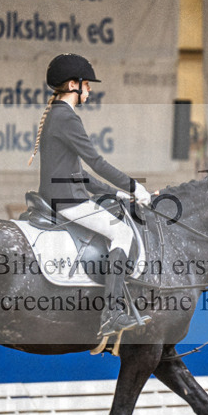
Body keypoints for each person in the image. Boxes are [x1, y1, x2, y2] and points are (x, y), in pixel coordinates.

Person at [31, 53, 152, 342]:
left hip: (61, 195)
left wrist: (116, 193)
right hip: (69, 202)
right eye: (86, 84)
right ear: (73, 85)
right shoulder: (67, 118)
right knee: (123, 233)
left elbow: (78, 173)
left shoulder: (56, 116)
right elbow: (96, 162)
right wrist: (136, 187)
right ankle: (111, 313)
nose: (90, 90)